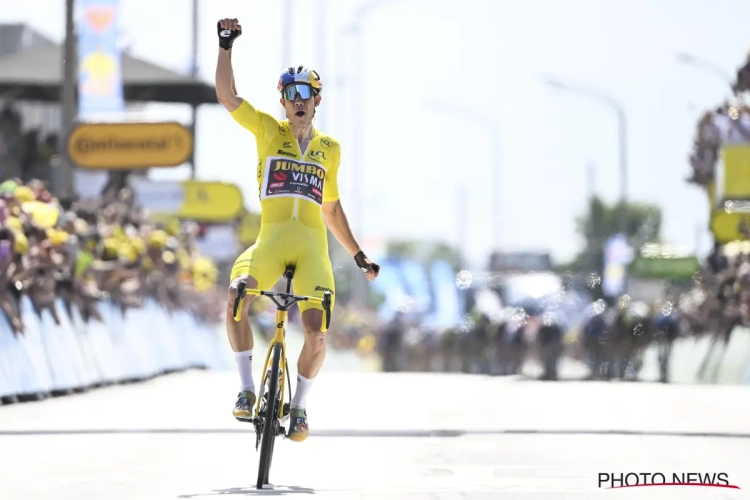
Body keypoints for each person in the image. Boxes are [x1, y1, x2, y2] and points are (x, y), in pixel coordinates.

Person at [214, 18, 380, 442]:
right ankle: (247, 389)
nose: (298, 100)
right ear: (283, 103)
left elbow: (332, 207)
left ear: (317, 100)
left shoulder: (331, 150)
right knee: (236, 297)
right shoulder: (269, 131)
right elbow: (227, 96)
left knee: (316, 334)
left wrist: (358, 255)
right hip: (269, 246)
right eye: (290, 95)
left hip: (312, 255)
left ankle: (300, 408)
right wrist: (226, 45)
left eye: (305, 93)